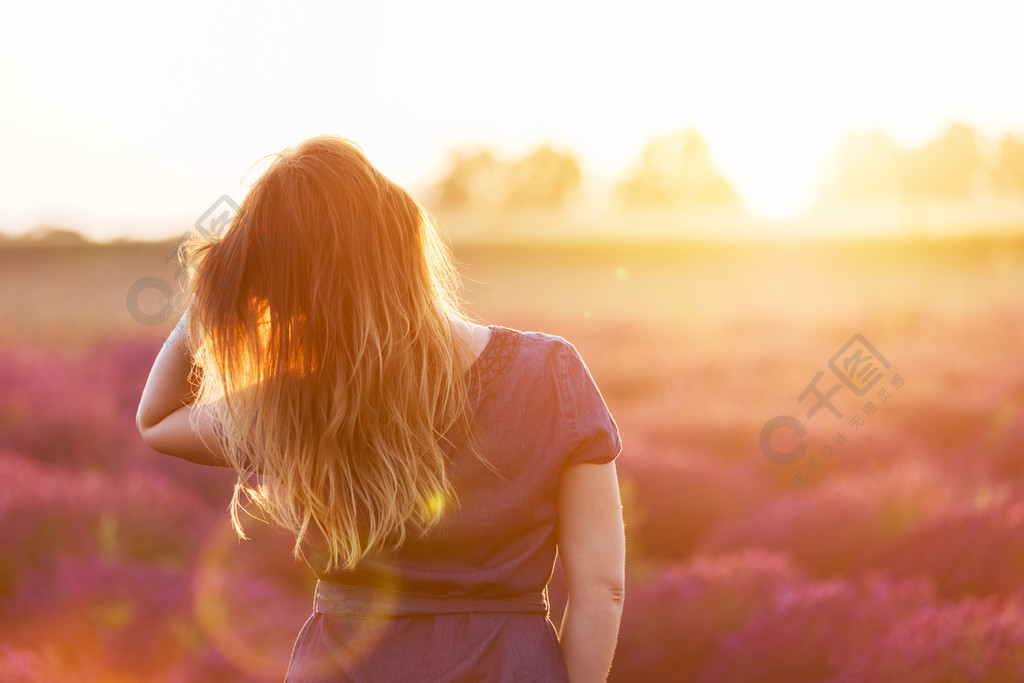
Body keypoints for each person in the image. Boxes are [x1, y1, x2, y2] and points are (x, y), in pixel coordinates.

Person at [135, 135, 625, 682]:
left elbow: (157, 421)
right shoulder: (550, 374)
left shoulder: (301, 403)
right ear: (405, 234)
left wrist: (217, 283)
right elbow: (602, 589)